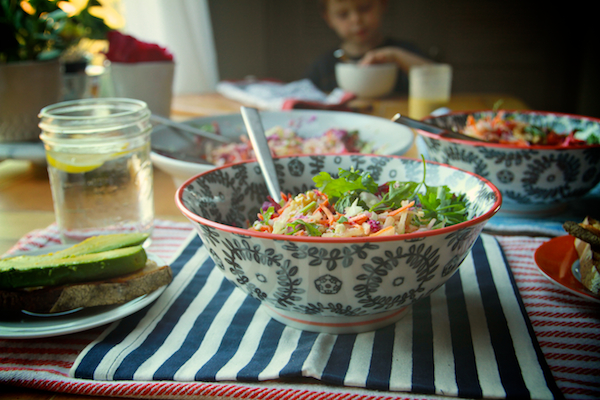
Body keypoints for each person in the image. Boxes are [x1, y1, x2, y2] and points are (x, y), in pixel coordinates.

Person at [306, 0, 432, 93]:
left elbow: (438, 81)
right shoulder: (322, 67)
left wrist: (396, 56)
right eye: (343, 14)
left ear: (383, 4)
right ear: (328, 19)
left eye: (364, 8)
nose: (356, 19)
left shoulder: (404, 53)